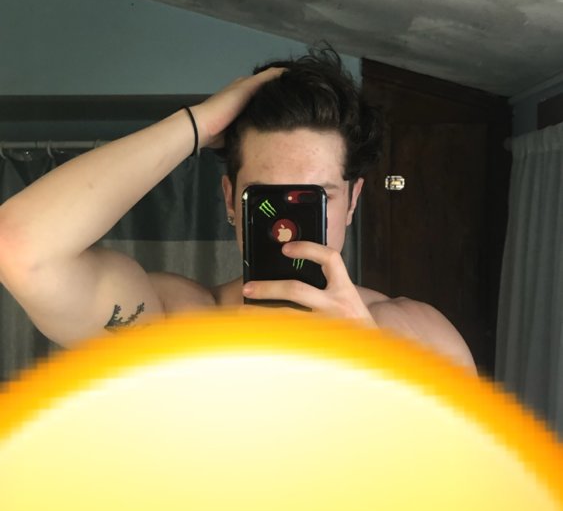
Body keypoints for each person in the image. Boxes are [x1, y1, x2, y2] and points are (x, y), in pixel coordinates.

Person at [0, 47, 476, 374]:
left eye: (315, 199)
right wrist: (199, 124)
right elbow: (20, 246)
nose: (287, 228)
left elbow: (468, 489)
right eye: (266, 200)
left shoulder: (419, 336)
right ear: (231, 199)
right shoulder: (174, 321)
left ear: (352, 202)